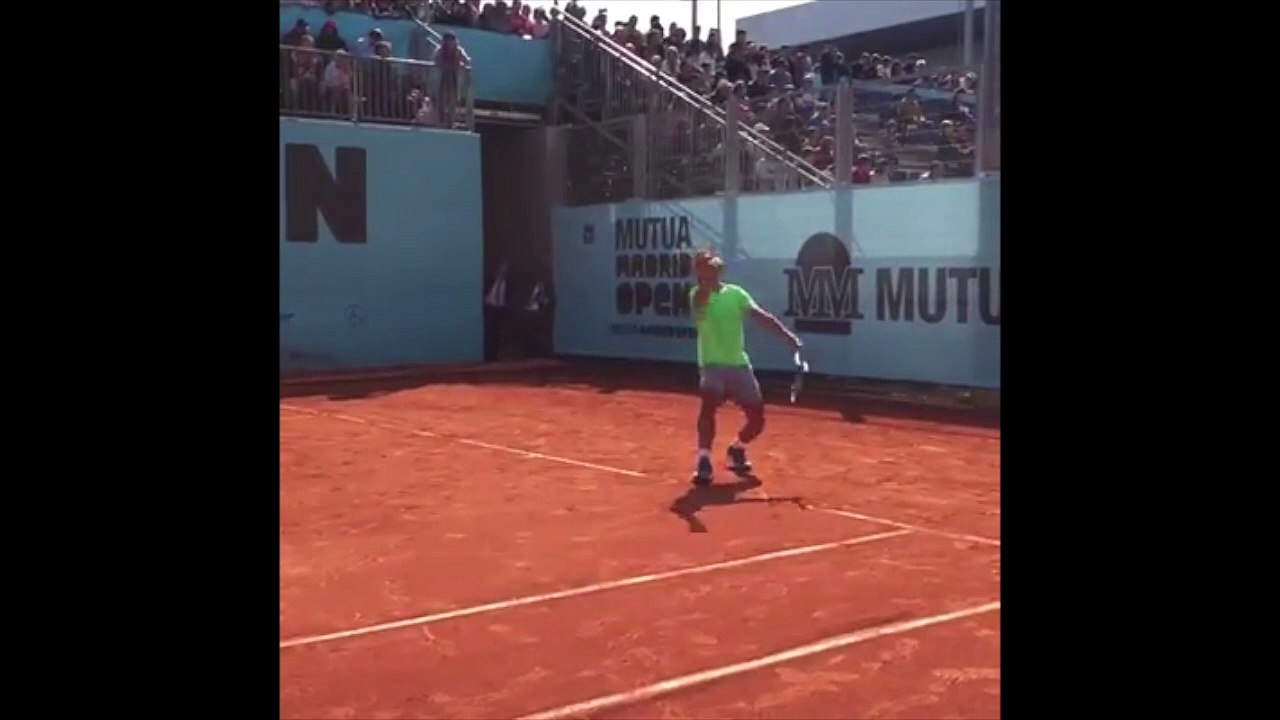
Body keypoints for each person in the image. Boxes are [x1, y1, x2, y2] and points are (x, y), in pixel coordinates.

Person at [688, 249, 801, 485]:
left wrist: (787, 336)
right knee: (709, 402)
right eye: (702, 268)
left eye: (711, 267)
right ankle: (704, 460)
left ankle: (737, 449)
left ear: (719, 270)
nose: (708, 272)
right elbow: (702, 300)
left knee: (757, 420)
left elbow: (761, 317)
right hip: (712, 365)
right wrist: (705, 279)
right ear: (698, 272)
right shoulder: (697, 295)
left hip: (739, 364)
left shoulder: (737, 294)